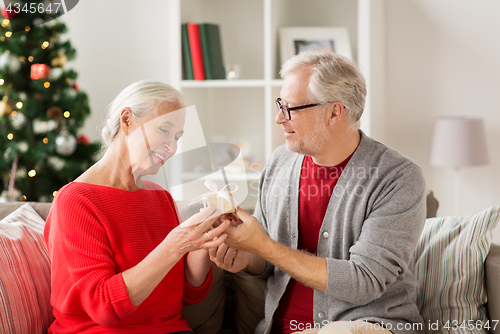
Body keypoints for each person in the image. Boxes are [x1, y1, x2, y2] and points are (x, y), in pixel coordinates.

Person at [210, 50, 427, 334]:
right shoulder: (279, 162)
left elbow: (364, 282)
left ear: (334, 112)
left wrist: (263, 246)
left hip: (367, 326)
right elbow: (267, 262)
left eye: (290, 108)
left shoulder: (397, 177)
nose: (278, 118)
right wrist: (247, 256)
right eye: (279, 104)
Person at [44, 80, 230, 333]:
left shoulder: (160, 197)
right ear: (127, 120)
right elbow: (103, 306)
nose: (173, 147)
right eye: (164, 130)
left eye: (177, 137)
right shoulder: (76, 201)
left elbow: (189, 296)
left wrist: (201, 242)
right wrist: (175, 246)